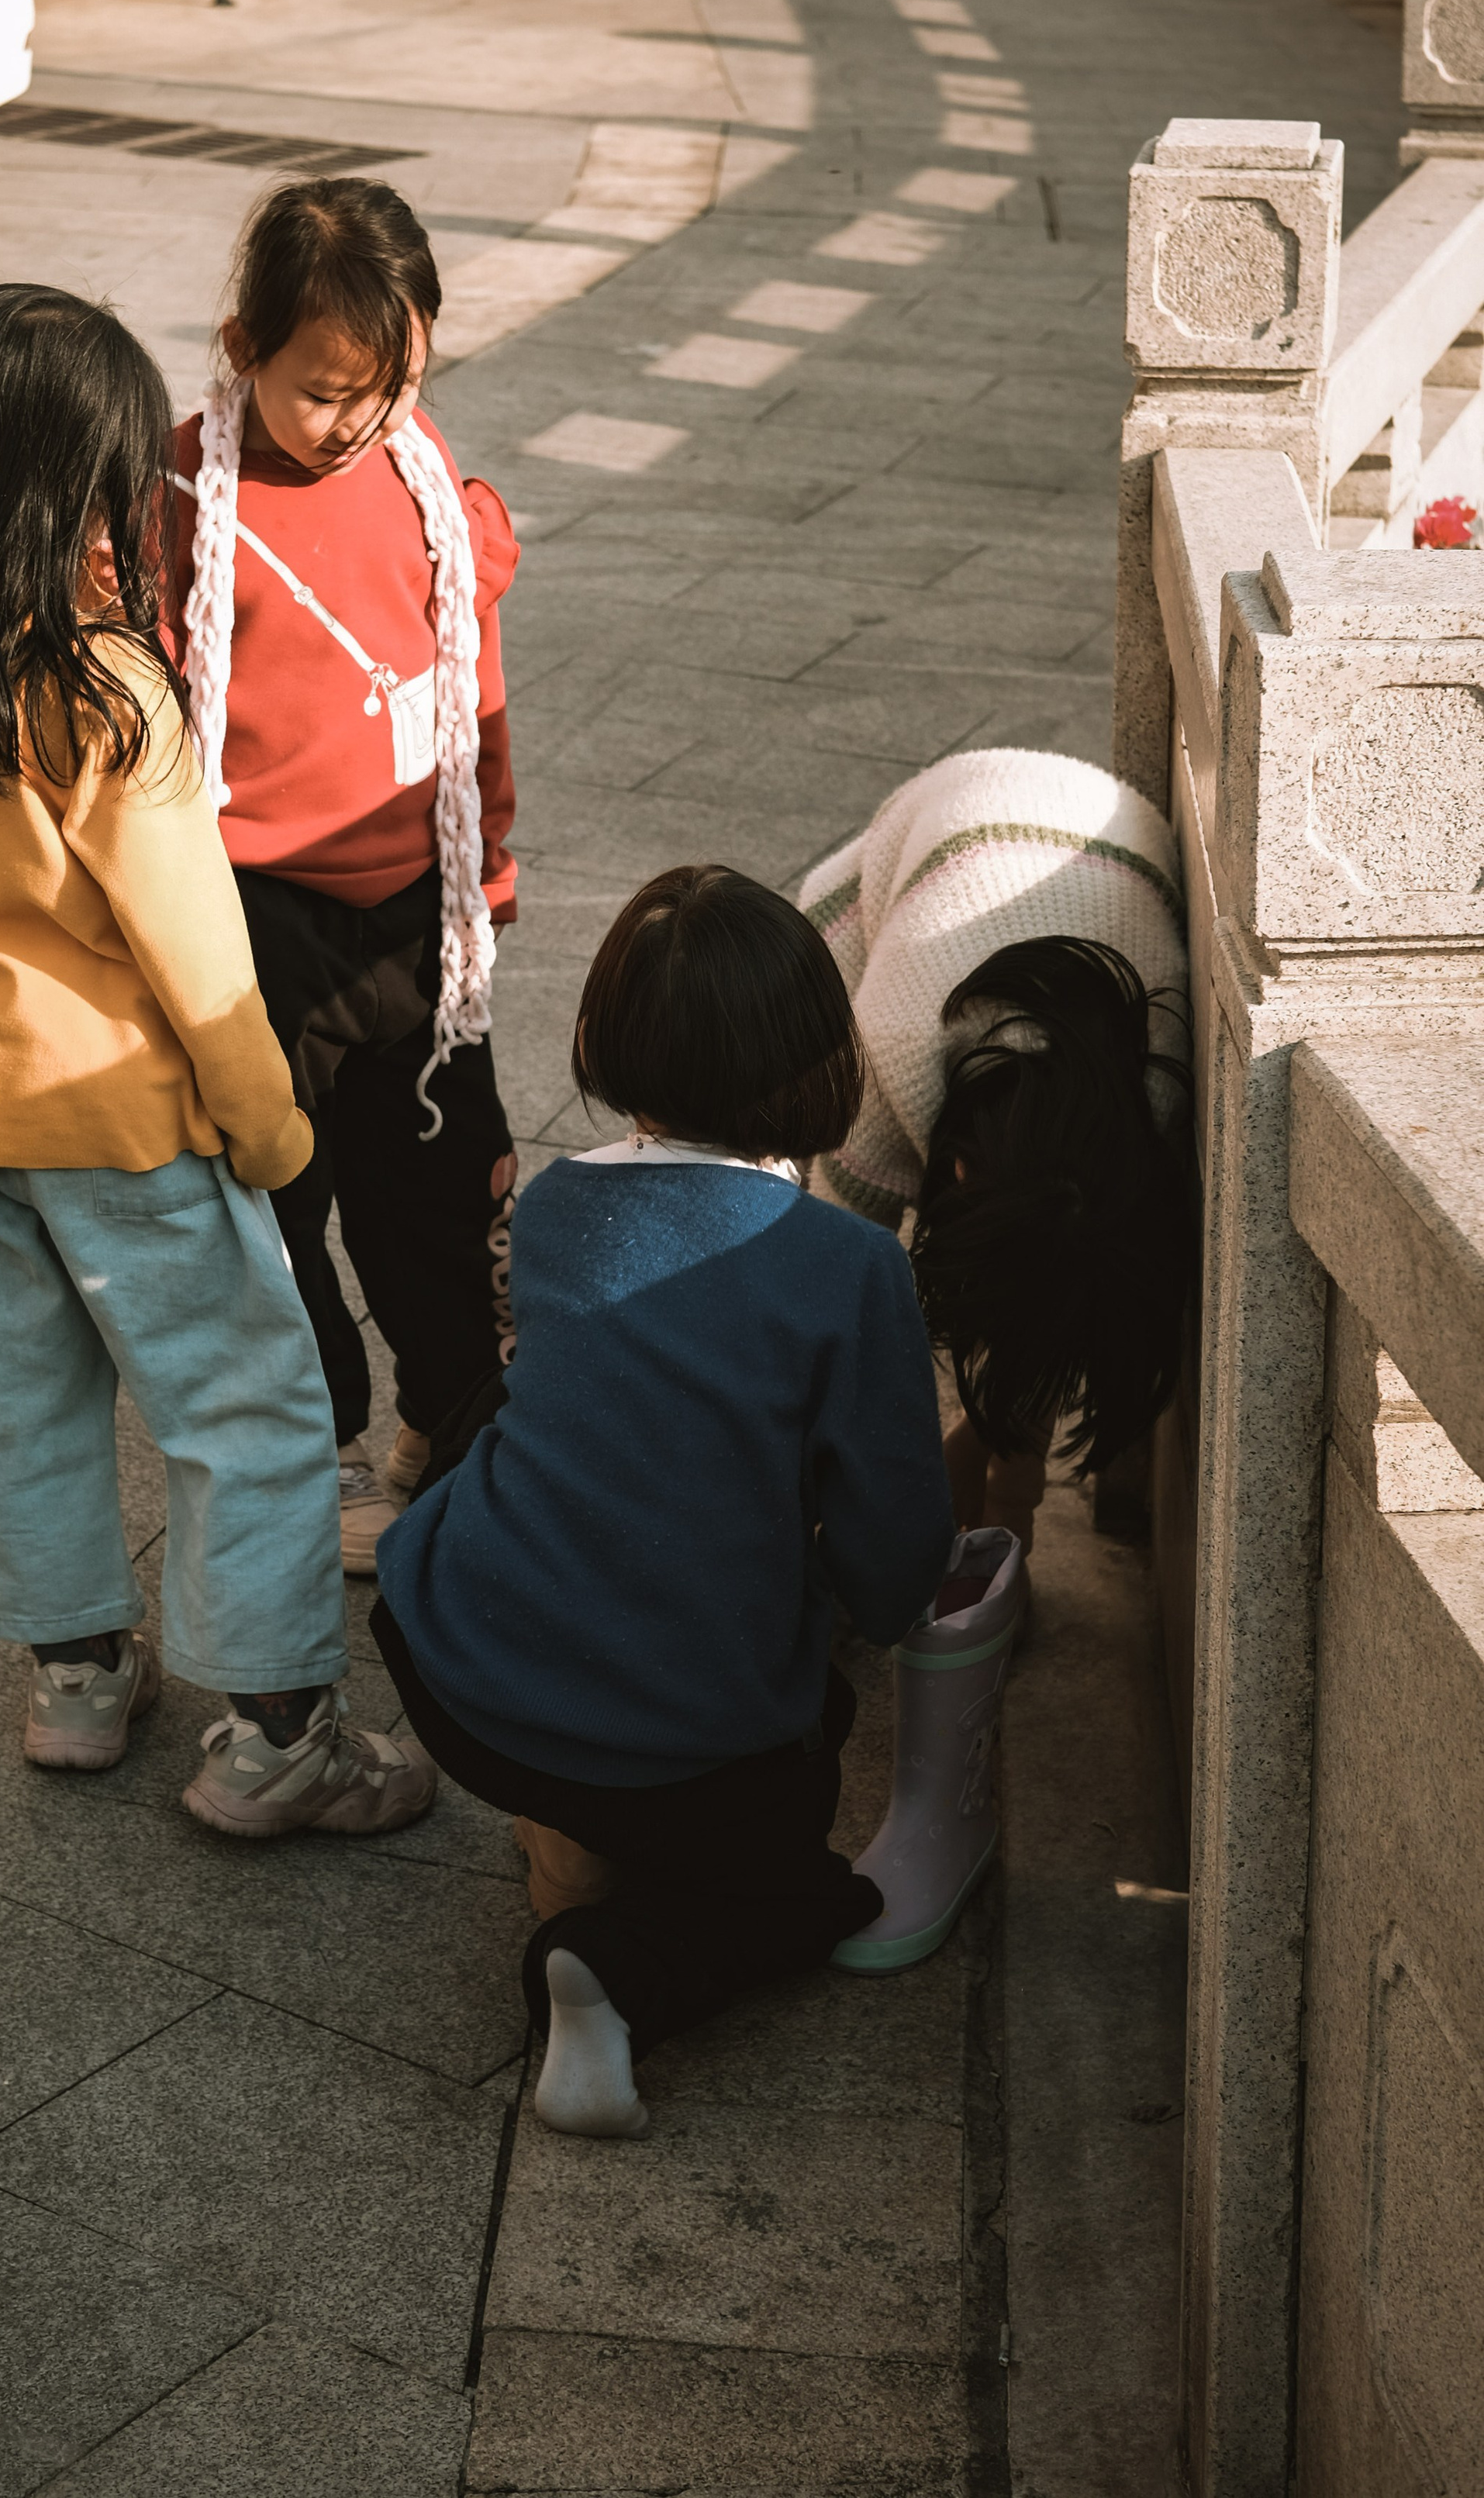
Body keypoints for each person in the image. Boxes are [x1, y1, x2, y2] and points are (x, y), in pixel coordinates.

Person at [0, 281, 435, 1841]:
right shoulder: (111, 696)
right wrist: (272, 1131)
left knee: (20, 1397)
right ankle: (278, 1739)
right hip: (130, 1127)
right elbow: (197, 961)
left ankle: (79, 1682)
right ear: (60, 500)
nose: (124, 519)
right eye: (106, 489)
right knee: (251, 1413)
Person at [374, 865, 956, 2136]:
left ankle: (563, 1829)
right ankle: (609, 1972)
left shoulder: (555, 1206)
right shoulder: (849, 1266)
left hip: (455, 1656)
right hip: (679, 1741)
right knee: (814, 1885)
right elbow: (893, 1552)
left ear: (606, 1043)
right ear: (827, 1065)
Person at [174, 179, 522, 1575]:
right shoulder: (182, 498)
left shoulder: (424, 479)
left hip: (419, 916)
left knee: (445, 1200)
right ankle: (309, 1448)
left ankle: (456, 1428)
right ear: (243, 346)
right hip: (253, 923)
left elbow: (473, 695)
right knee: (272, 1204)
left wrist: (489, 869)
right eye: (324, 393)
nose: (360, 422)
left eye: (394, 389)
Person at [798, 747, 1195, 1546]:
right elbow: (830, 1288)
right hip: (920, 846)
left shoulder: (1149, 1091)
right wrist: (886, 1481)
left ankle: (1004, 1493)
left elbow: (1053, 1291)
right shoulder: (892, 1042)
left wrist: (1002, 1479)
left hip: (1089, 831)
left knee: (1045, 1273)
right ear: (957, 1170)